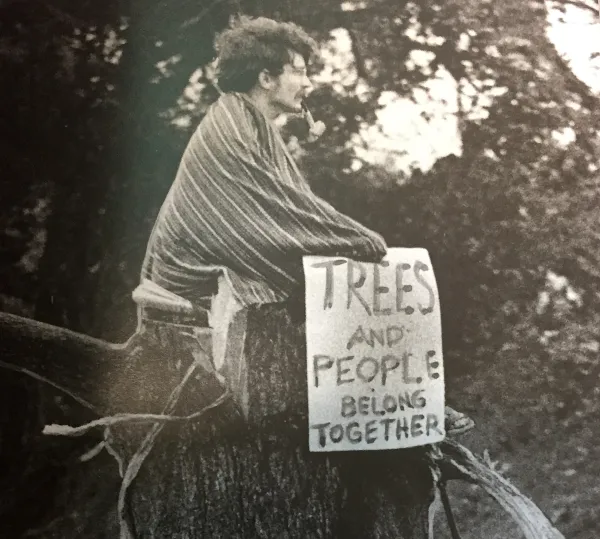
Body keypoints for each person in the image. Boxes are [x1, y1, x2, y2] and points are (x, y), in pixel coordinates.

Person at [139, 16, 472, 433]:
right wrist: (357, 240)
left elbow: (287, 208)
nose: (308, 83)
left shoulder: (247, 123)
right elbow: (274, 214)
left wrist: (348, 240)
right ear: (265, 77)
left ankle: (403, 400)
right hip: (186, 294)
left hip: (208, 280)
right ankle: (396, 401)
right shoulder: (230, 127)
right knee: (356, 271)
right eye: (299, 71)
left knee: (348, 269)